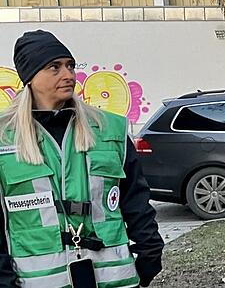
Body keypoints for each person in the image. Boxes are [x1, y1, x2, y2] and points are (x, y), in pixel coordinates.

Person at [0, 30, 163, 287]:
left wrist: (150, 252)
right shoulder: (4, 138)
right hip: (40, 281)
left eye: (70, 65)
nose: (68, 75)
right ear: (30, 77)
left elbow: (135, 198)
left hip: (112, 277)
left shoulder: (109, 129)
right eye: (54, 67)